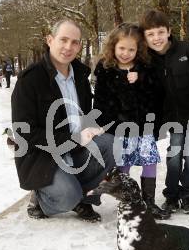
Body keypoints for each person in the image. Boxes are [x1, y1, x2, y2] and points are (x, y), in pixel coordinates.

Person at [11, 19, 116, 222]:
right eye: (63, 40)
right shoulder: (30, 80)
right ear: (50, 40)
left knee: (112, 144)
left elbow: (85, 115)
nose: (69, 47)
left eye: (75, 42)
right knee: (67, 196)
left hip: (76, 148)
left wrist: (92, 127)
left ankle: (81, 197)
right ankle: (43, 199)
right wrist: (72, 138)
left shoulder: (81, 75)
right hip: (43, 156)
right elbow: (25, 133)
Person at [139, 10, 189, 214]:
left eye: (160, 32)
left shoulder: (188, 51)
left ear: (169, 31)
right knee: (174, 156)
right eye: (150, 34)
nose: (156, 38)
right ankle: (172, 196)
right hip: (173, 119)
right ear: (145, 37)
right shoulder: (147, 60)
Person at [93, 23, 170, 220]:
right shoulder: (105, 68)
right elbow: (100, 99)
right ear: (113, 46)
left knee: (149, 162)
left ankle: (149, 202)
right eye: (122, 48)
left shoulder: (145, 67)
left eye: (131, 49)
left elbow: (157, 93)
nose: (126, 53)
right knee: (124, 165)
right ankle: (127, 203)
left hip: (143, 125)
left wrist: (142, 78)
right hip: (119, 128)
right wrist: (101, 123)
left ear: (139, 49)